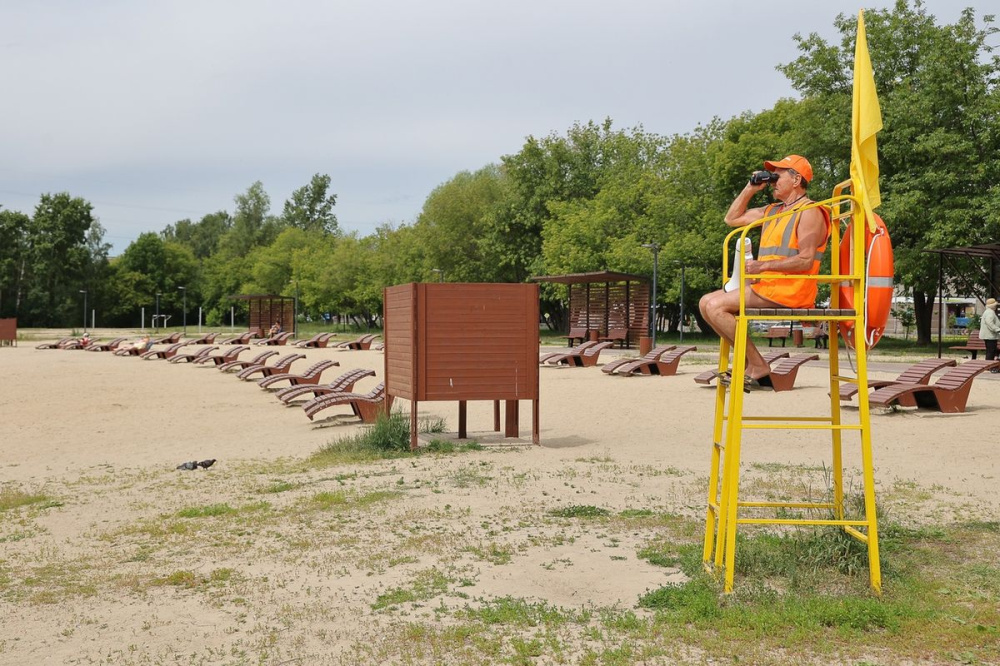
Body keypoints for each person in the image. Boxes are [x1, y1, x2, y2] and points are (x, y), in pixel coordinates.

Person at [699, 155, 831, 390]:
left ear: (796, 179)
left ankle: (757, 365)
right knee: (704, 303)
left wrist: (764, 266)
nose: (772, 181)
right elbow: (731, 219)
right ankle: (750, 364)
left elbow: (806, 261)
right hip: (769, 286)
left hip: (791, 291)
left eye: (777, 175)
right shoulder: (774, 210)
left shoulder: (810, 211)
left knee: (715, 307)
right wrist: (750, 188)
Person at [979, 298, 1000, 371]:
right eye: (995, 305)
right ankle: (989, 366)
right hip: (990, 335)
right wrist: (998, 329)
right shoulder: (990, 312)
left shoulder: (988, 311)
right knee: (991, 351)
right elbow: (990, 323)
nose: (996, 306)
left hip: (989, 335)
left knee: (991, 351)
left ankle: (989, 366)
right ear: (993, 305)